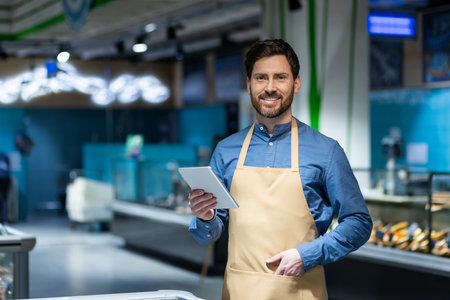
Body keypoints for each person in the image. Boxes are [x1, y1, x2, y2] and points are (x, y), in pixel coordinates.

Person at [188, 39, 372, 299]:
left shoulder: (326, 151)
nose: (270, 88)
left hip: (300, 290)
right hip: (239, 292)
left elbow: (358, 223)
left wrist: (307, 255)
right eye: (261, 78)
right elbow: (208, 234)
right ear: (249, 84)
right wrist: (205, 217)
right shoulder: (226, 150)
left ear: (296, 84)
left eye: (280, 77)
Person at [0, 152, 10, 224]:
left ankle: (3, 218)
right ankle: (4, 218)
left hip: (3, 179)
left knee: (3, 199)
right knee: (4, 199)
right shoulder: (5, 155)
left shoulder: (4, 156)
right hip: (6, 178)